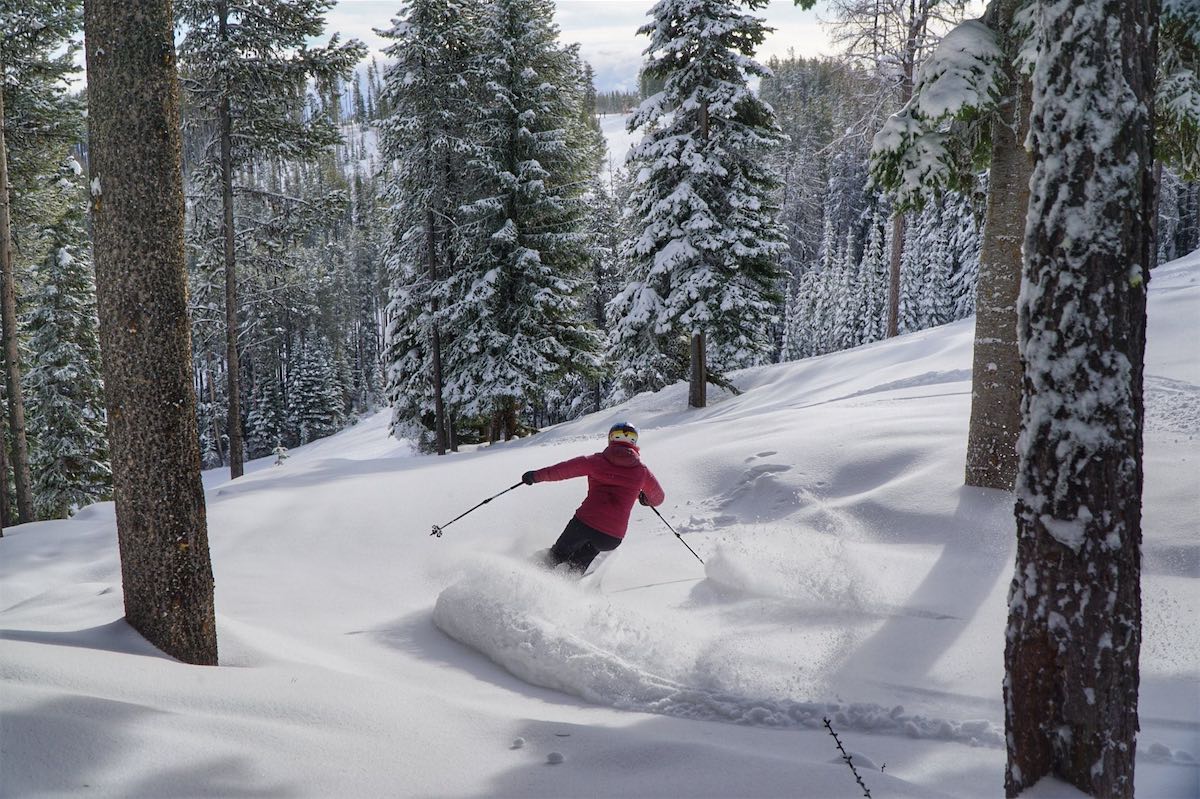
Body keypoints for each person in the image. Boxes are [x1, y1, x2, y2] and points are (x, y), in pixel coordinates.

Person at [522, 421, 665, 573]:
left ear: (610, 439)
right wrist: (644, 498)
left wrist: (535, 476)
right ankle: (565, 587)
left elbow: (562, 470)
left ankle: (524, 576)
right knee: (577, 564)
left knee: (556, 555)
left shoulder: (595, 461)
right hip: (611, 537)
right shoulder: (642, 472)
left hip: (584, 523)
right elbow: (659, 498)